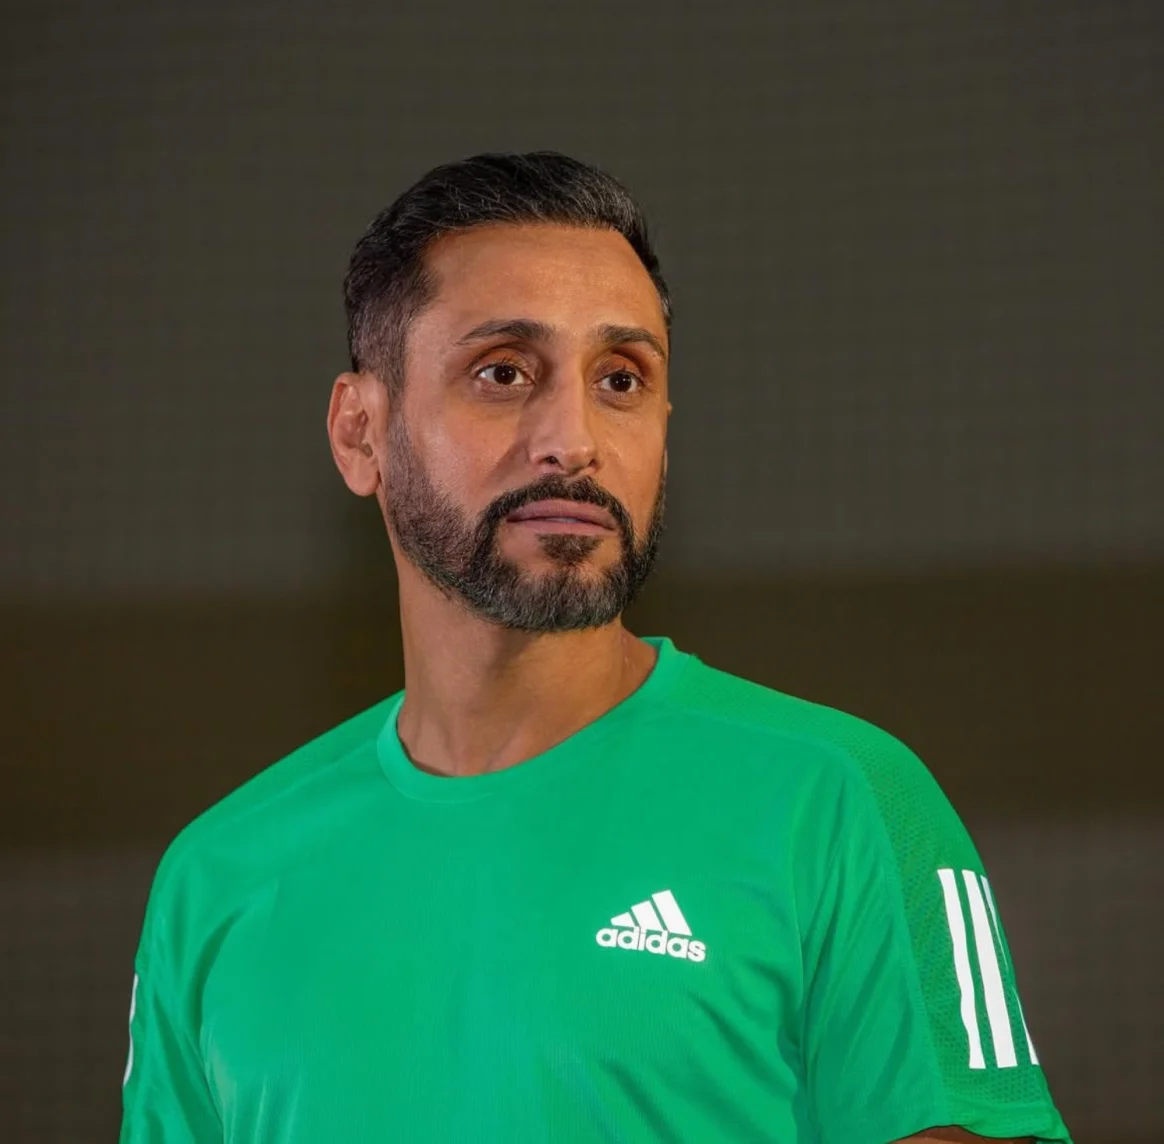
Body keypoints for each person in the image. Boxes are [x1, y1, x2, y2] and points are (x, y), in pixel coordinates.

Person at [119, 152, 1071, 1144]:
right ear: (361, 433)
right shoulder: (216, 877)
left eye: (621, 379)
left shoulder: (841, 801)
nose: (572, 439)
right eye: (503, 372)